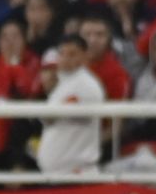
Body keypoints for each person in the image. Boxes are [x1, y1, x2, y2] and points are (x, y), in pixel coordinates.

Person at [37, 34, 105, 174]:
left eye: (72, 54)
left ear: (84, 56)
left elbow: (52, 118)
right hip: (57, 172)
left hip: (75, 173)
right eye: (62, 53)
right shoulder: (63, 83)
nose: (65, 59)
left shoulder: (87, 85)